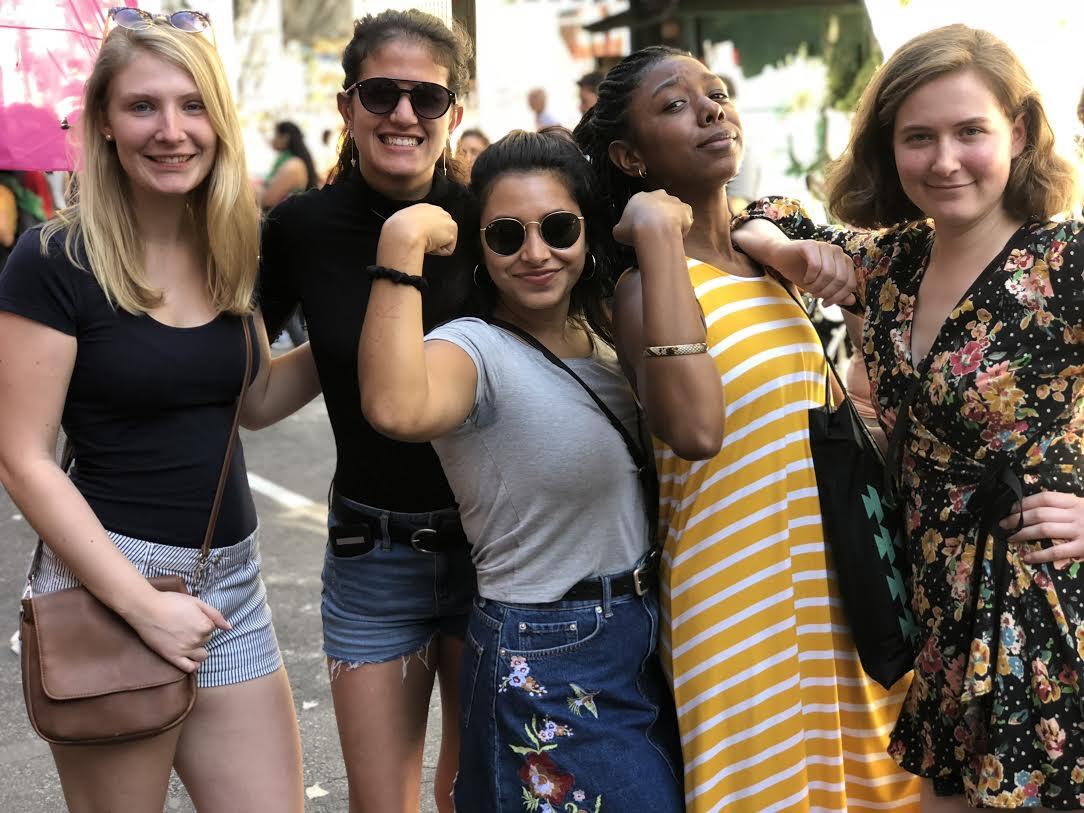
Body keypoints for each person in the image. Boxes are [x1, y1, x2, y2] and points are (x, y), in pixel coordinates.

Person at [731, 23, 1084, 810]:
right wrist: (781, 248)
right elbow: (763, 211)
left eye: (970, 132)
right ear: (888, 147)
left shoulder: (1066, 260)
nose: (944, 160)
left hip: (1049, 609)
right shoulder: (893, 264)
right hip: (938, 613)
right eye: (918, 136)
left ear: (1018, 132)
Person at [574, 46, 923, 812]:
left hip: (835, 575)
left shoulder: (768, 258)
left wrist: (785, 248)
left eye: (717, 93)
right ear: (630, 156)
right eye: (675, 105)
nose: (710, 109)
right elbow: (694, 429)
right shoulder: (643, 287)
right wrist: (656, 235)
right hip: (734, 593)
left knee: (867, 786)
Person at [0, 12, 320, 813]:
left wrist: (351, 340)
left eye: (192, 105)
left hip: (231, 579)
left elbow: (253, 401)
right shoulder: (54, 259)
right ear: (105, 122)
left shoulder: (230, 246)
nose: (171, 131)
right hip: (110, 582)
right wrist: (141, 604)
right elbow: (22, 456)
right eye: (142, 106)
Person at [358, 127, 689, 812]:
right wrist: (401, 245)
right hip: (545, 647)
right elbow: (394, 406)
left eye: (558, 228)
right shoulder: (473, 350)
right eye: (506, 236)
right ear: (481, 249)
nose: (535, 253)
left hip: (640, 634)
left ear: (586, 233)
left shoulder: (604, 337)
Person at [257, 10, 477, 812]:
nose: (404, 114)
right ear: (347, 106)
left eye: (428, 97)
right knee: (381, 802)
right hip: (372, 551)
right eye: (382, 93)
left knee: (474, 794)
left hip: (498, 547)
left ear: (456, 110)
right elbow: (251, 392)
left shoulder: (493, 215)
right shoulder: (301, 226)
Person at [261, 120, 318, 210]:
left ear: (285, 138)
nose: (272, 139)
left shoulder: (293, 165)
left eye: (276, 134)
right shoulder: (286, 159)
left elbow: (267, 201)